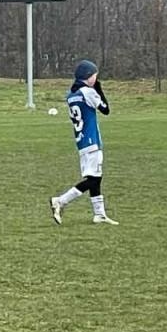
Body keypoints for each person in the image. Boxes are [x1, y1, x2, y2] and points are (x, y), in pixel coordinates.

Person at [50, 59, 117, 225]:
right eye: (95, 75)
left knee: (95, 176)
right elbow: (105, 109)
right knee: (93, 180)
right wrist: (99, 90)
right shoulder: (87, 91)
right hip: (92, 140)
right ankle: (61, 200)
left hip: (81, 141)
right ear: (88, 76)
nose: (96, 78)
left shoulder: (72, 94)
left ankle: (99, 214)